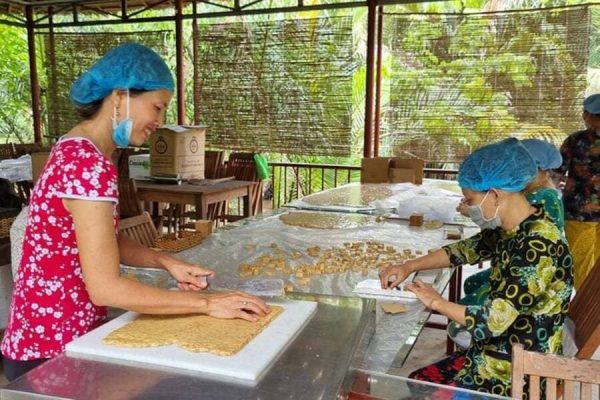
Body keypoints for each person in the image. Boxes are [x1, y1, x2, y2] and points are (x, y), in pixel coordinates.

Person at [1, 43, 269, 382]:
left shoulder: (73, 147)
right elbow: (106, 289)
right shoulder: (87, 164)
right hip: (51, 355)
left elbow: (98, 240)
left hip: (51, 339)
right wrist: (208, 304)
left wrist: (165, 261)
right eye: (156, 108)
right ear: (120, 96)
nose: (159, 122)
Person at [380, 138, 573, 398]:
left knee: (424, 390)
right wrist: (409, 266)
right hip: (499, 349)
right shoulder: (517, 226)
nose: (468, 207)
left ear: (495, 194)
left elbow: (492, 321)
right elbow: (465, 250)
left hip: (518, 369)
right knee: (419, 381)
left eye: (470, 200)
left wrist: (436, 302)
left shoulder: (538, 245)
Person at [555, 94, 600, 290]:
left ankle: (586, 316)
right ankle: (594, 315)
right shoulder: (574, 140)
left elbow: (556, 172)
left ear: (587, 116)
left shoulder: (575, 140)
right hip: (581, 213)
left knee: (582, 265)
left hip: (579, 213)